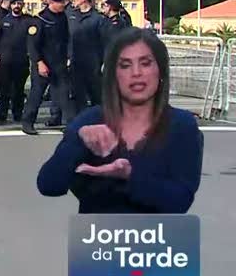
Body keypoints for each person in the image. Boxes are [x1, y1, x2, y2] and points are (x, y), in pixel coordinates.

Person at [37, 29, 204, 213]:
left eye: (145, 63)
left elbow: (180, 201)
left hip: (158, 232)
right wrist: (77, 142)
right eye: (125, 65)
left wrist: (129, 176)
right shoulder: (89, 121)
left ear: (161, 71)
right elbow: (49, 185)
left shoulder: (182, 125)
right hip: (98, 231)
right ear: (113, 75)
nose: (136, 73)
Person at [21, 0, 75, 135]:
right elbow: (32, 45)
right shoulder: (40, 20)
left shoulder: (62, 18)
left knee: (64, 95)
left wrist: (68, 57)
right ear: (53, 2)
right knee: (36, 94)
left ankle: (71, 124)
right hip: (43, 64)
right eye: (62, 2)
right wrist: (39, 62)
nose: (64, 5)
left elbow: (65, 39)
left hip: (59, 63)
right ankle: (27, 122)